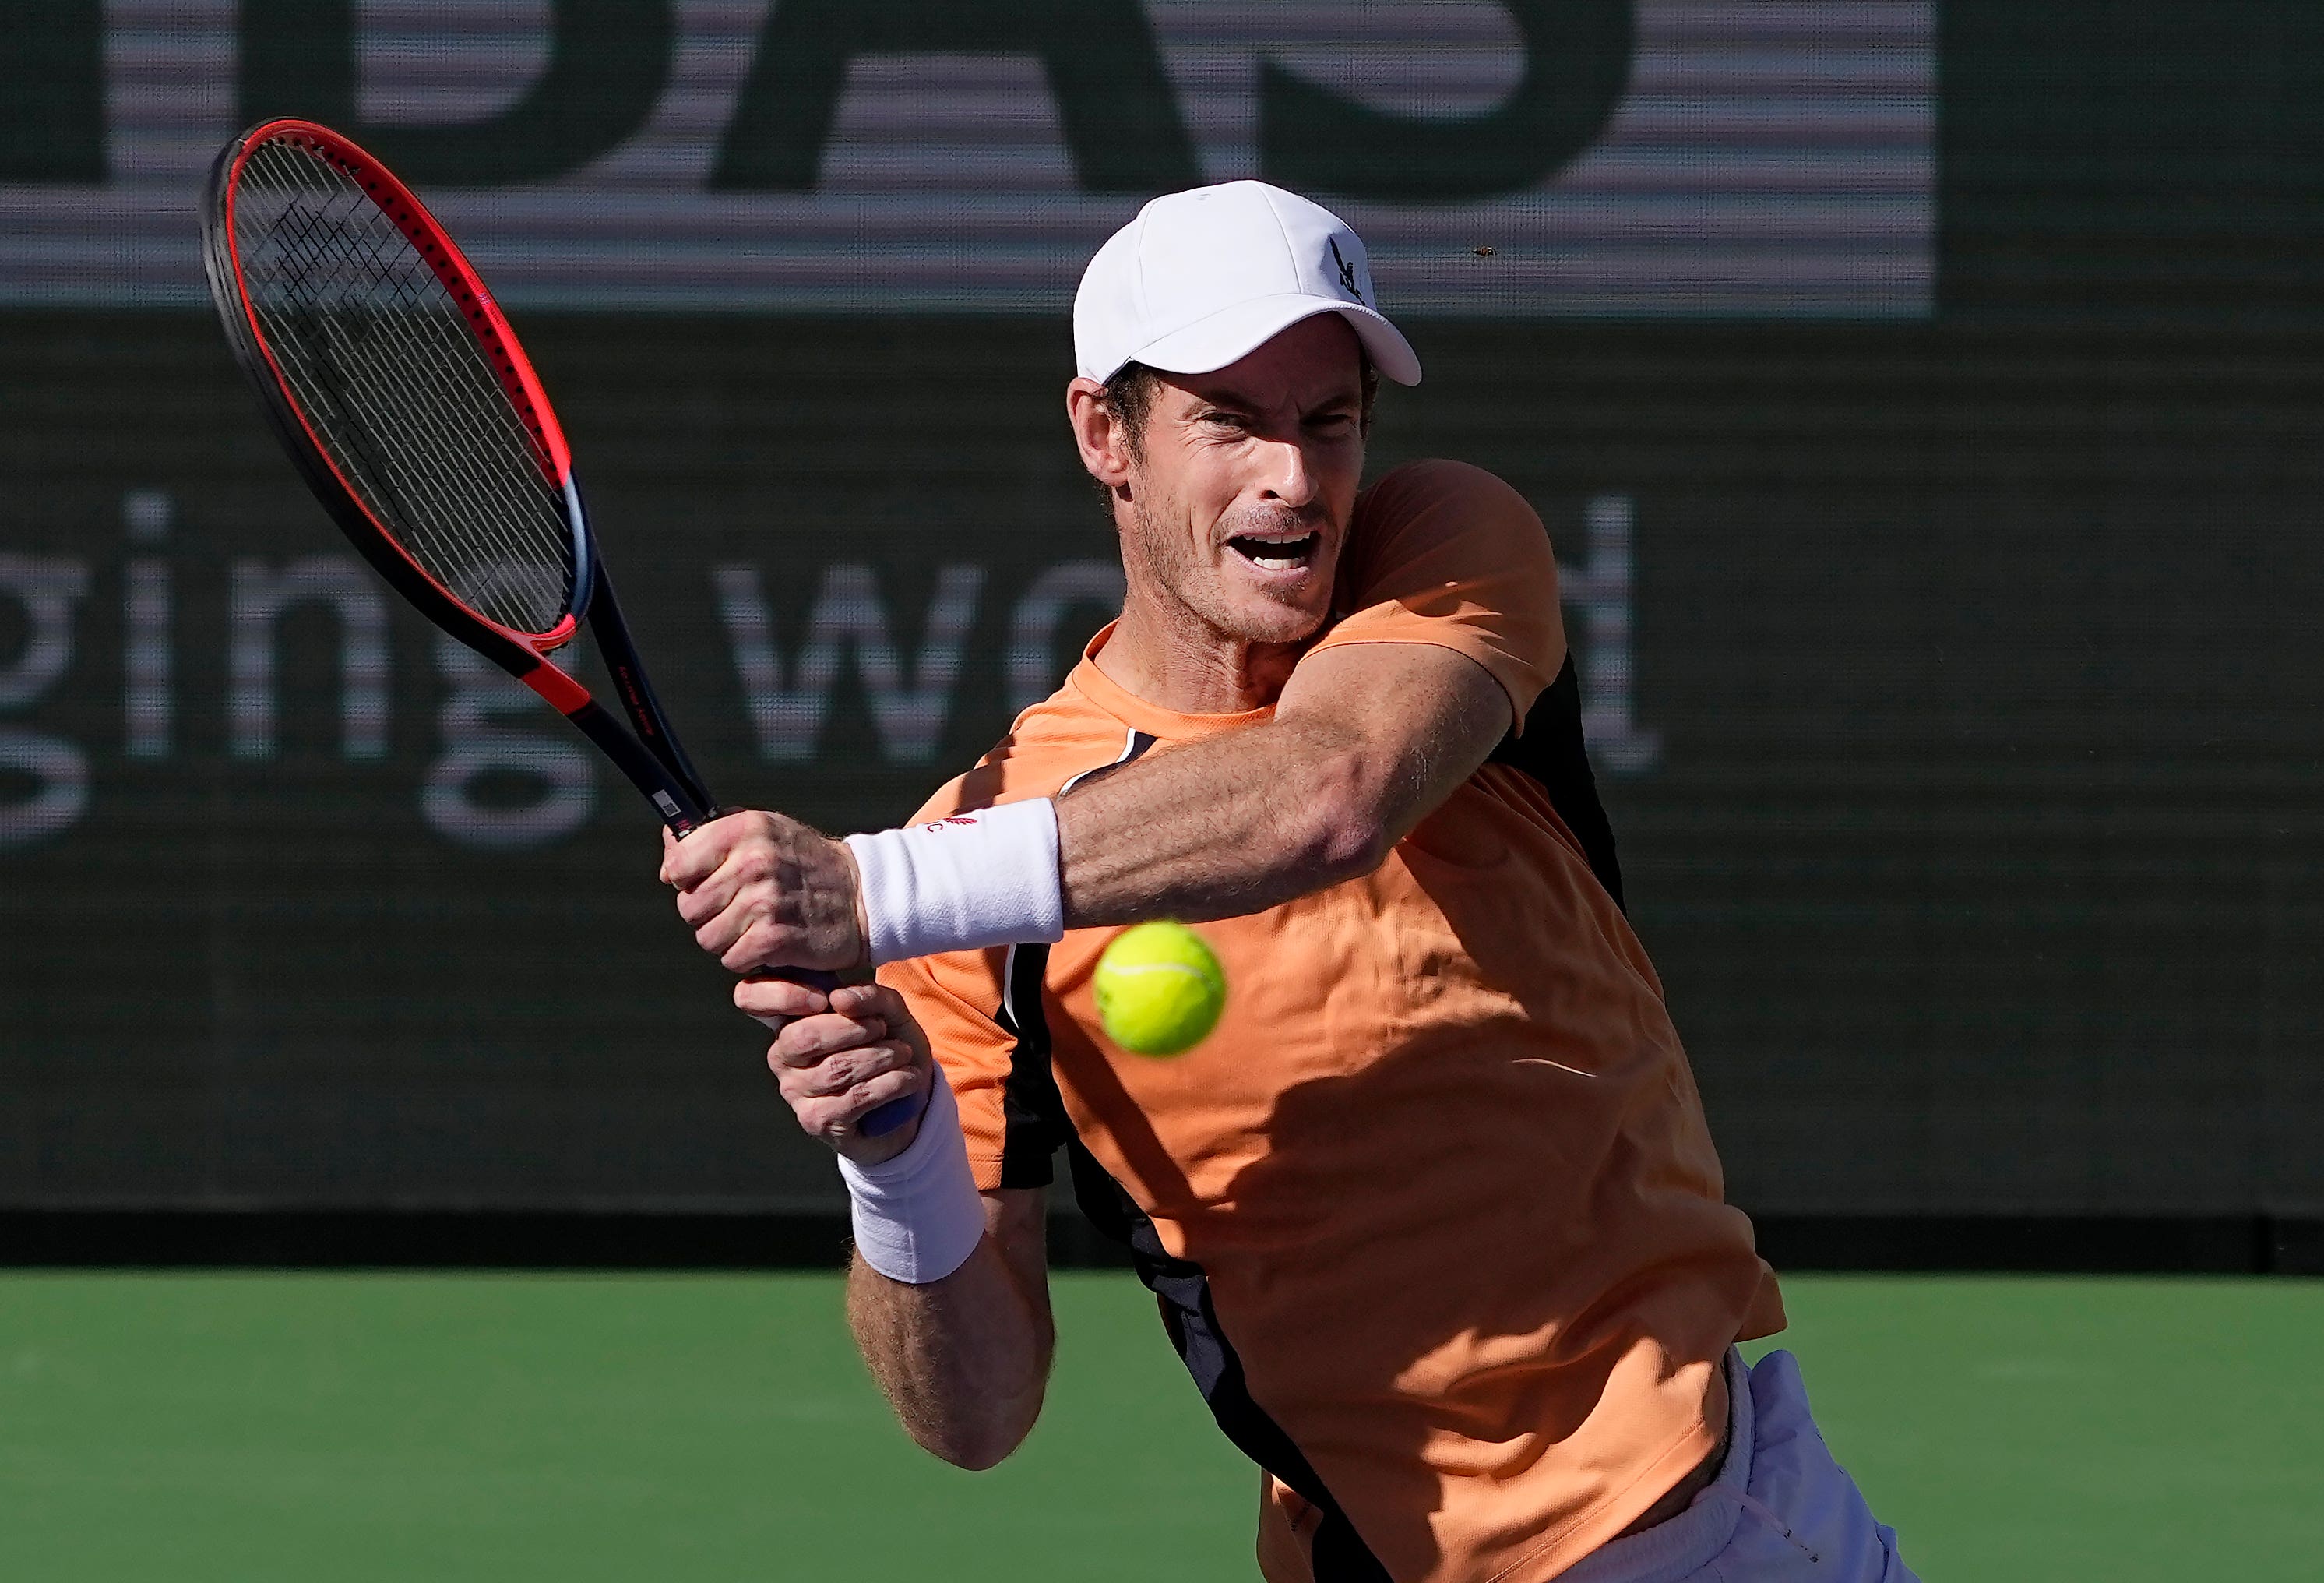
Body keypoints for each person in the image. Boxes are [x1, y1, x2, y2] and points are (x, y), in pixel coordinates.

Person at [660, 181, 1914, 1583]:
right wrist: (895, 1165)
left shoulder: (1440, 549)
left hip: (1688, 1530)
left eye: (1328, 420)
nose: (1295, 479)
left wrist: (872, 890)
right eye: (1231, 422)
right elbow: (978, 1417)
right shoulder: (974, 874)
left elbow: (1332, 793)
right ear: (1104, 436)